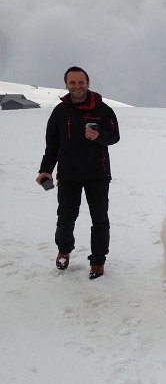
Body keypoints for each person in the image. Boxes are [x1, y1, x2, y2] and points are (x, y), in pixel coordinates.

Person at [36, 66, 120, 279]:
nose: (77, 86)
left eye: (80, 82)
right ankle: (64, 251)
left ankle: (98, 261)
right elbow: (52, 145)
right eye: (72, 83)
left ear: (88, 83)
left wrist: (99, 136)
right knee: (65, 217)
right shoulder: (60, 112)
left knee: (99, 219)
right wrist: (46, 170)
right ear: (66, 84)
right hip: (68, 175)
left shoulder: (103, 110)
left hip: (97, 174)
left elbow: (115, 136)